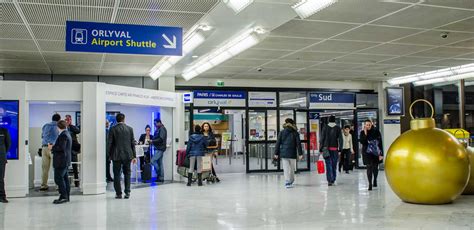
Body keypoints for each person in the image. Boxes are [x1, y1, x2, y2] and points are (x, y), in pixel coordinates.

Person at [107, 113, 137, 199]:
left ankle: (118, 193)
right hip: (128, 155)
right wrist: (134, 156)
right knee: (127, 173)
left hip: (116, 155)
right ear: (124, 119)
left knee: (116, 174)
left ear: (116, 120)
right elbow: (132, 143)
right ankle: (127, 192)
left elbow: (109, 143)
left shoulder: (112, 129)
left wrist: (108, 155)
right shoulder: (130, 129)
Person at [274, 118, 303, 189]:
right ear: (292, 124)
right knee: (292, 168)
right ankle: (291, 180)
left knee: (285, 168)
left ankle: (287, 181)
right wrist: (300, 154)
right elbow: (298, 144)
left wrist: (276, 153)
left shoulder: (281, 132)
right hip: (292, 153)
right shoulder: (295, 133)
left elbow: (278, 143)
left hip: (284, 153)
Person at [51, 120, 72, 204]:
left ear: (58, 127)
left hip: (61, 161)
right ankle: (66, 196)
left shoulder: (63, 135)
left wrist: (52, 147)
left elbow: (61, 148)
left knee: (58, 178)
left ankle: (63, 196)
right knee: (65, 178)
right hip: (65, 160)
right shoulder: (67, 134)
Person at [359, 119, 383, 191]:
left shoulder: (376, 131)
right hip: (366, 152)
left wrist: (381, 154)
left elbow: (380, 143)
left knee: (375, 167)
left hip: (375, 152)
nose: (368, 126)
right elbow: (362, 142)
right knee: (369, 167)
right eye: (367, 125)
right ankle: (370, 184)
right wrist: (365, 134)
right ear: (365, 125)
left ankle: (375, 179)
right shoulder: (362, 132)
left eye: (369, 125)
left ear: (371, 124)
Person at [40, 114, 61, 191]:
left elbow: (42, 136)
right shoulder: (58, 126)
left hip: (44, 147)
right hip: (53, 148)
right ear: (59, 119)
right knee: (56, 167)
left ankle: (43, 185)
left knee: (44, 168)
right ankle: (58, 185)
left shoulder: (45, 125)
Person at [320, 115, 342, 186]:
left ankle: (330, 180)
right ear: (335, 120)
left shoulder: (325, 127)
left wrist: (321, 148)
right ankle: (333, 179)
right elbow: (341, 139)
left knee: (328, 164)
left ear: (328, 120)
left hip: (326, 149)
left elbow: (322, 139)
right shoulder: (338, 128)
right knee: (334, 165)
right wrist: (340, 149)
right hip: (335, 149)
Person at [65, 115, 80, 187]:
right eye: (66, 119)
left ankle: (76, 182)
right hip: (66, 150)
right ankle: (66, 182)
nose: (67, 121)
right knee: (66, 167)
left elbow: (78, 131)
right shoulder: (63, 127)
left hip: (73, 150)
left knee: (75, 167)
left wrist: (70, 125)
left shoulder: (73, 127)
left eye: (69, 119)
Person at [0, 126, 11, 203]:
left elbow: (8, 144)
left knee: (0, 178)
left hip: (1, 158)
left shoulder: (4, 131)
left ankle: (2, 196)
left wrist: (3, 152)